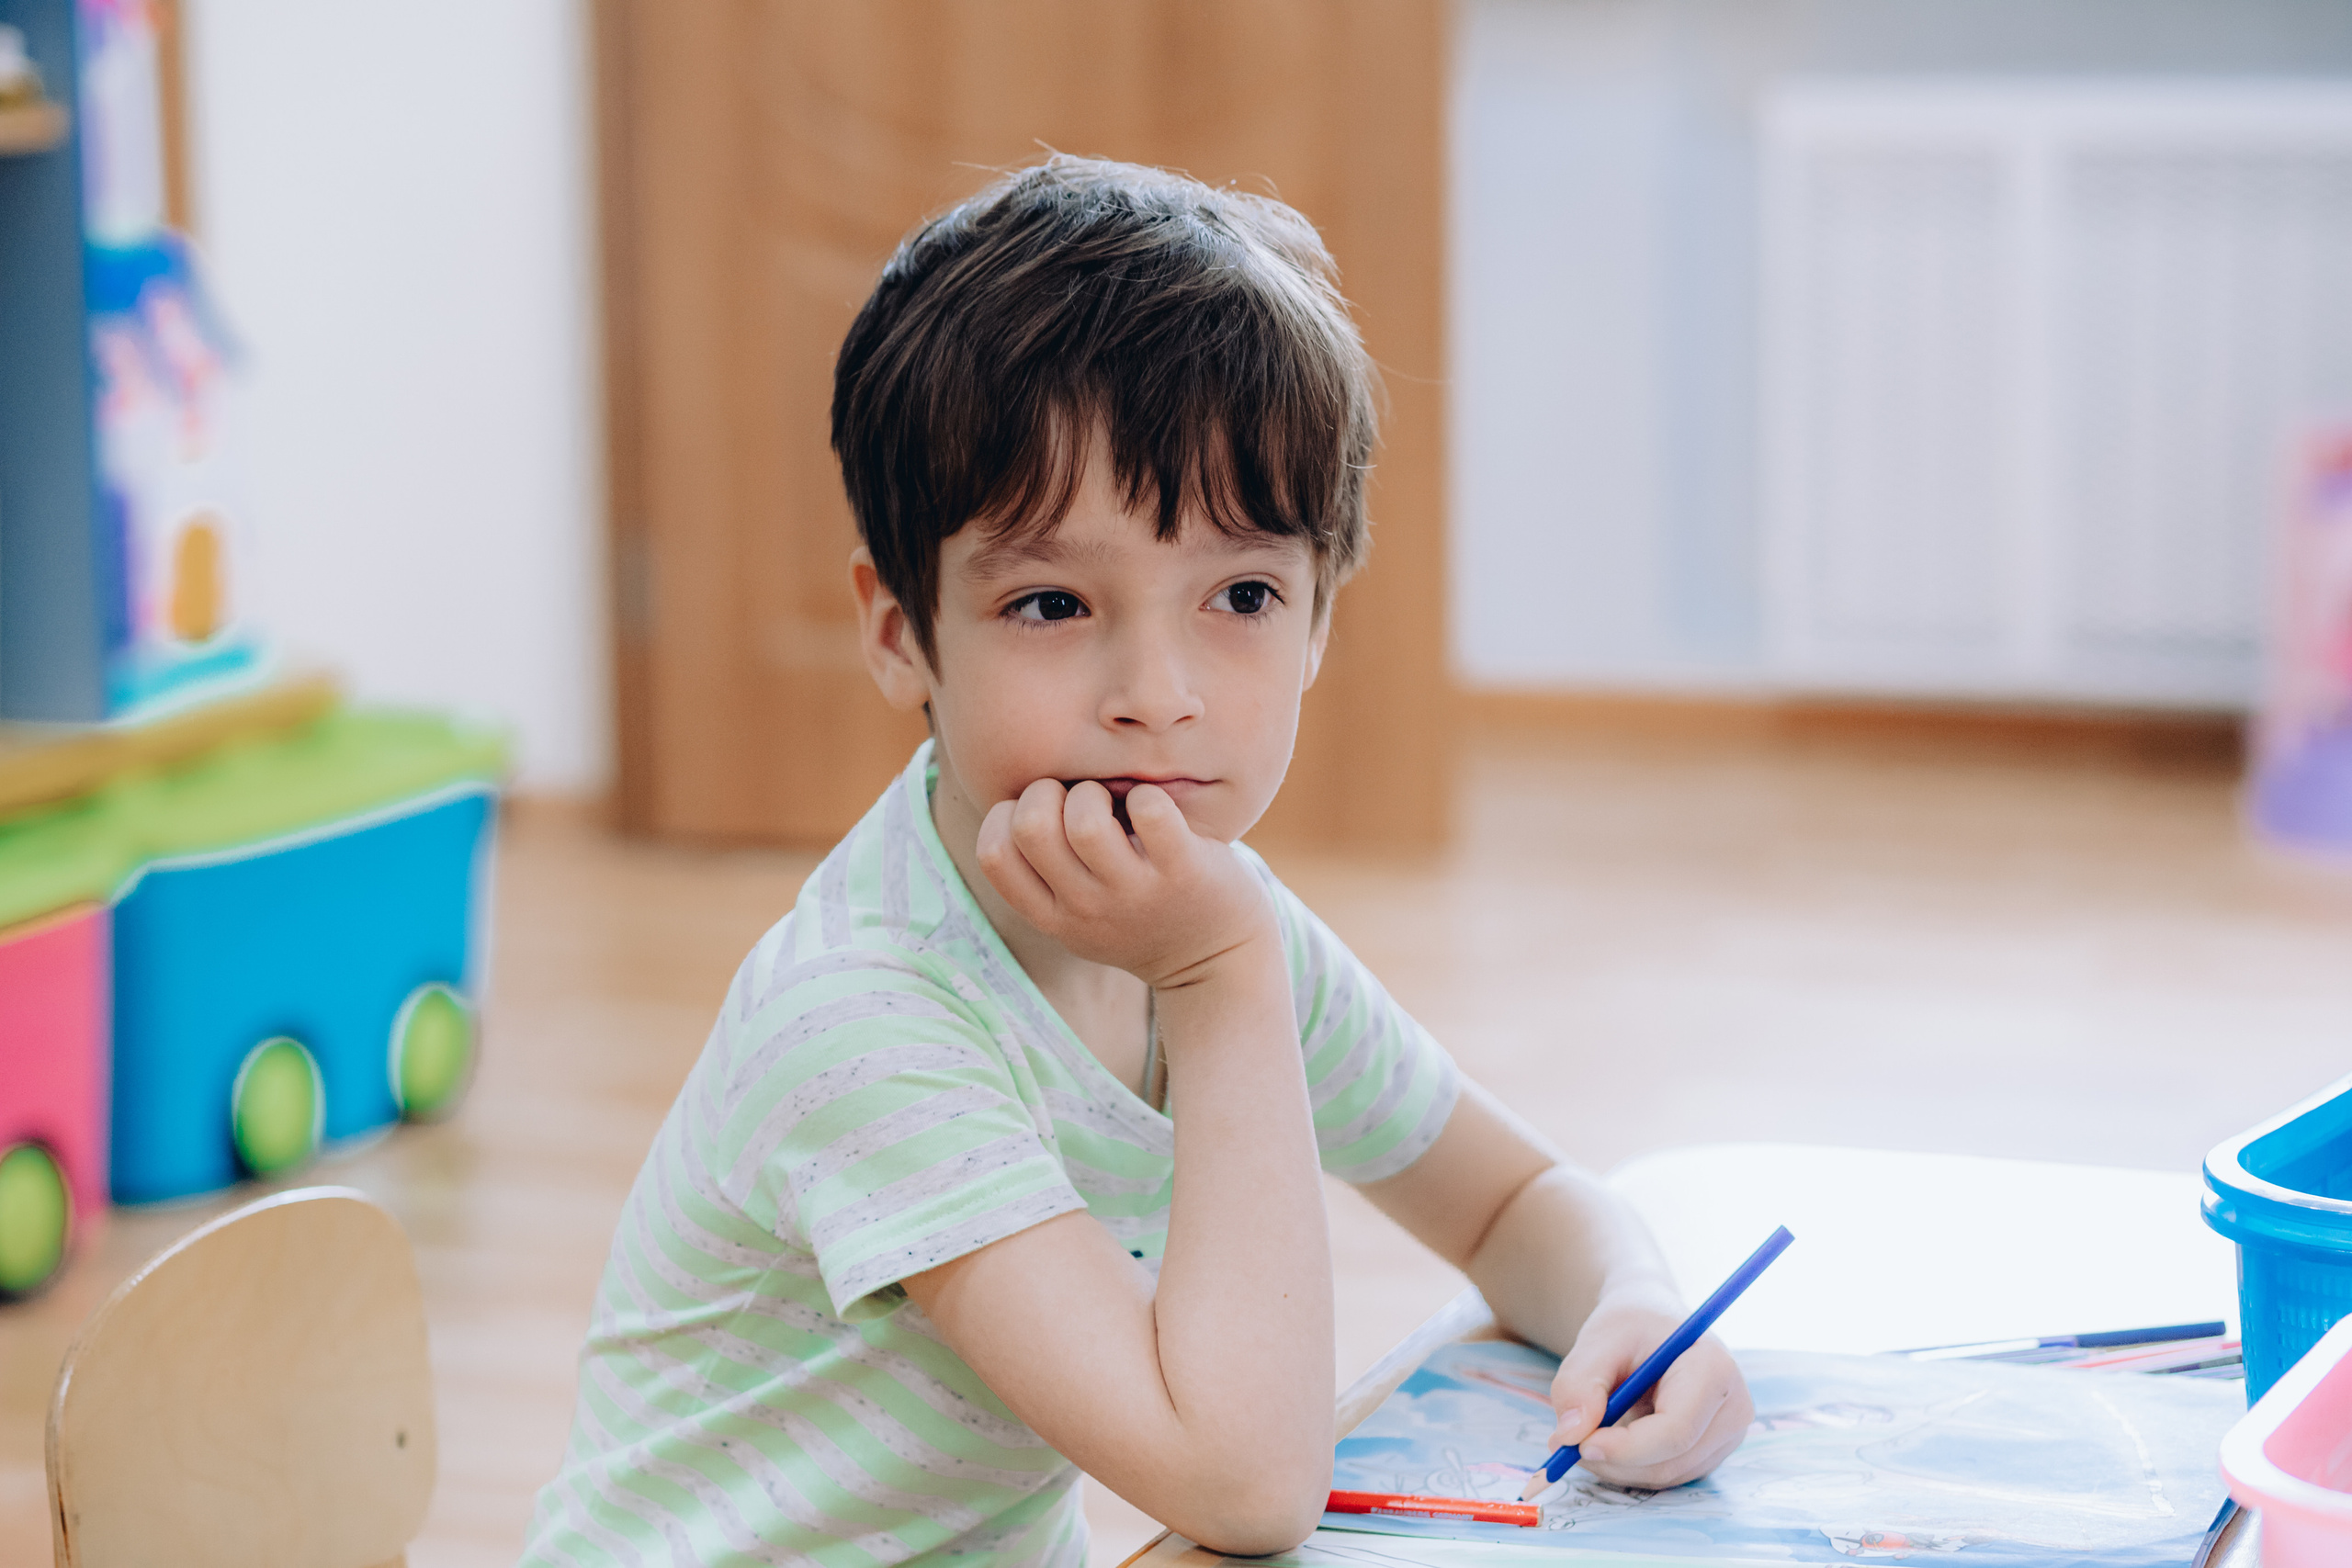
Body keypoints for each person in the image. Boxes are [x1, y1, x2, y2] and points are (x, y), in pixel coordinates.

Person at [522, 156, 1752, 1568]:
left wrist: (1635, 1302)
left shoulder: (1214, 923)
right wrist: (1220, 979)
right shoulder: (865, 1017)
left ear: (1318, 622)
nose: (1156, 692)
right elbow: (1244, 1485)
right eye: (1053, 602)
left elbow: (1510, 1202)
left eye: (1240, 595)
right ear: (898, 628)